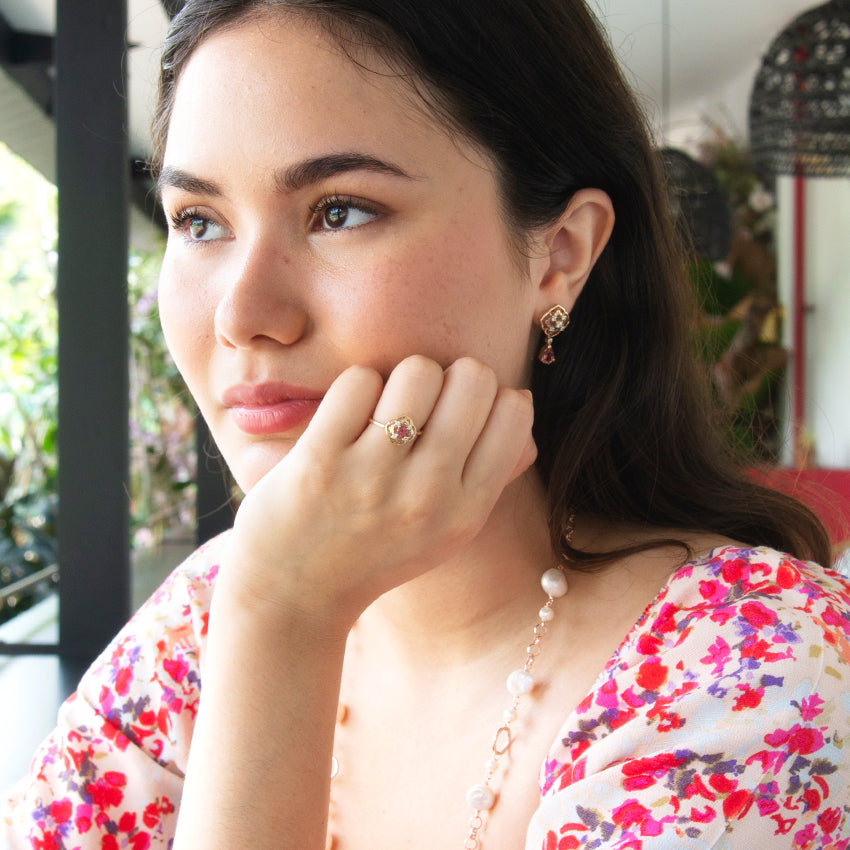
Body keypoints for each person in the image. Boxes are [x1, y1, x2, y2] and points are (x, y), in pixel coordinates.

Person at [4, 0, 850, 847]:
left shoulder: (759, 674)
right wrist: (274, 611)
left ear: (559, 255)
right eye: (199, 221)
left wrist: (286, 624)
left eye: (340, 210)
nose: (243, 314)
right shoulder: (206, 616)